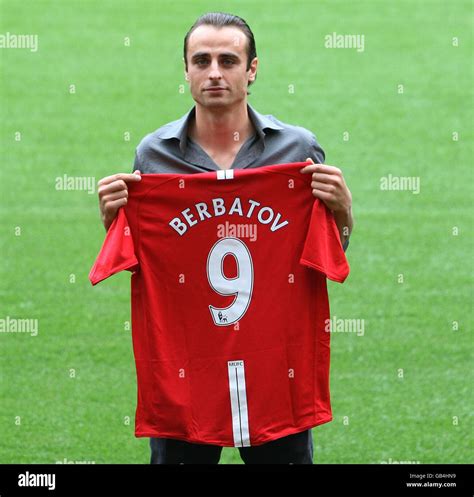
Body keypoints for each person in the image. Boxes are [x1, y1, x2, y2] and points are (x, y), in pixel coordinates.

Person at [97, 12, 353, 464]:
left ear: (252, 69)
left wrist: (344, 211)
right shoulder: (152, 155)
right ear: (186, 70)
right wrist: (113, 220)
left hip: (276, 366)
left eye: (228, 60)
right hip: (187, 365)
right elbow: (144, 263)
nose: (214, 72)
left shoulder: (298, 150)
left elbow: (329, 253)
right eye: (202, 60)